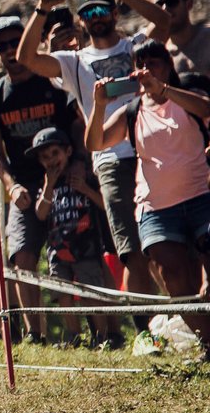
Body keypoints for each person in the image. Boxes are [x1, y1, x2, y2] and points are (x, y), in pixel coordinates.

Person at [17, 0, 172, 302]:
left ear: (115, 14)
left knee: (164, 243)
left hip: (153, 151)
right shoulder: (74, 62)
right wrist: (42, 6)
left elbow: (164, 20)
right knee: (131, 251)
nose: (96, 18)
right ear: (81, 22)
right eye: (88, 13)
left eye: (102, 11)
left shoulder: (136, 47)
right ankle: (147, 331)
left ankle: (181, 317)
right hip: (111, 159)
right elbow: (26, 59)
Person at [82, 40, 210, 353]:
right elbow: (95, 142)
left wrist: (163, 89)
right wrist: (98, 104)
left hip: (201, 197)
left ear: (168, 65)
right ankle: (208, 342)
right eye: (142, 64)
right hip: (157, 207)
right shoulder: (132, 111)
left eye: (155, 62)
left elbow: (206, 108)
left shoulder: (187, 95)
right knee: (172, 275)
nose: (148, 68)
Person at [0, 14, 80, 337]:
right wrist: (10, 185)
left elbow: (77, 123)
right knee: (21, 256)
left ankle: (87, 331)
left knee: (73, 253)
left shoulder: (51, 80)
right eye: (2, 45)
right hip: (22, 183)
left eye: (15, 42)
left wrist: (78, 164)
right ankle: (36, 334)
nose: (10, 50)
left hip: (64, 179)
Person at [30, 127, 119, 344]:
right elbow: (41, 213)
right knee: (63, 292)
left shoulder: (83, 176)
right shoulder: (46, 185)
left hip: (86, 247)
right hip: (57, 250)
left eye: (55, 154)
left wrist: (86, 189)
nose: (51, 161)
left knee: (91, 291)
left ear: (68, 152)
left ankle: (102, 336)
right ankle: (74, 335)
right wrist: (48, 186)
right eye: (44, 157)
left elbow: (104, 206)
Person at [153, 0, 210, 74]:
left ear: (189, 4)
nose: (165, 8)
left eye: (172, 1)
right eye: (159, 5)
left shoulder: (207, 38)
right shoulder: (160, 57)